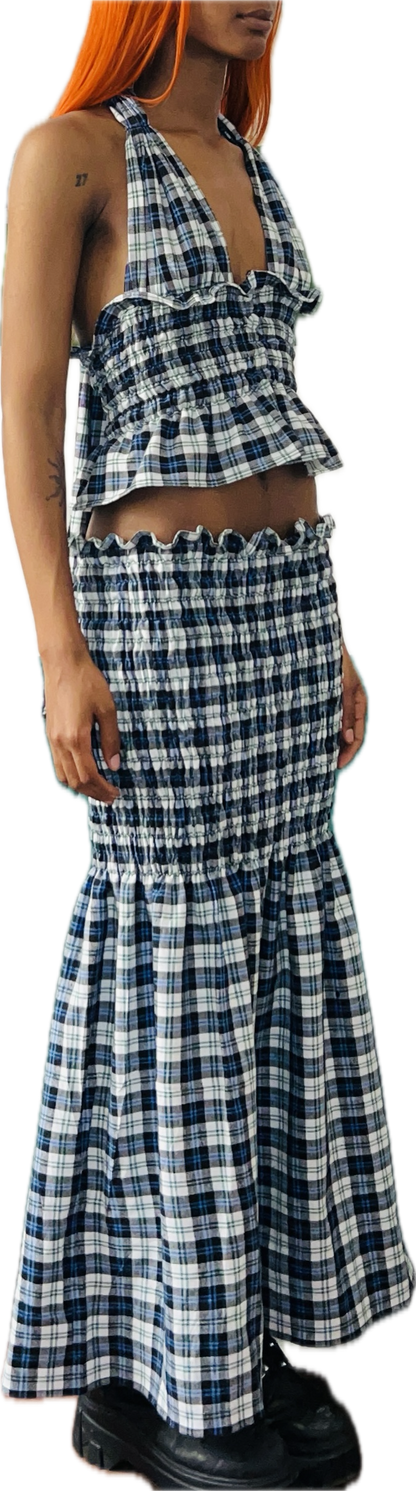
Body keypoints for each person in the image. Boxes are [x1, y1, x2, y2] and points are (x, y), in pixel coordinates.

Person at [0, 3, 414, 1488]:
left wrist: (340, 634)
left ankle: (242, 1335)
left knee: (280, 969)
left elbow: (276, 417)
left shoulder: (252, 156)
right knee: (177, 972)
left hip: (290, 607)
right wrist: (61, 650)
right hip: (156, 619)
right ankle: (177, 1372)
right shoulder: (69, 150)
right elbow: (26, 420)